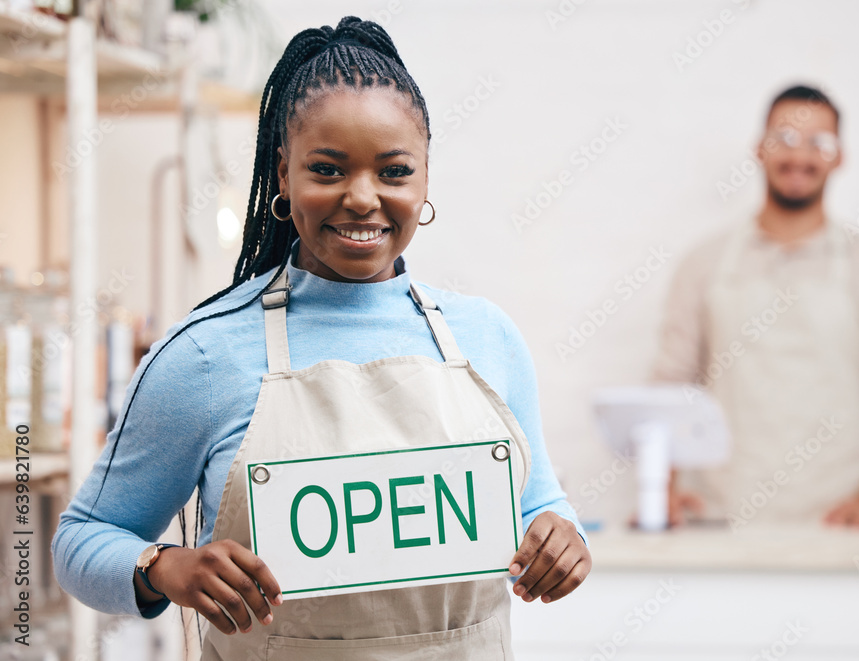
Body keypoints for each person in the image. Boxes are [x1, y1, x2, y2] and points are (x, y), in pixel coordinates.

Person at [52, 18, 590, 659]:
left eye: (393, 171)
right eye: (328, 170)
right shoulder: (205, 354)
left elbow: (540, 507)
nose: (363, 198)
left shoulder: (488, 338)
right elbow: (81, 540)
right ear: (283, 174)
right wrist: (168, 568)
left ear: (423, 182)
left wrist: (561, 538)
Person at [652, 85, 859, 529]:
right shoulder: (703, 264)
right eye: (784, 138)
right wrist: (661, 492)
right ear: (759, 150)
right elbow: (667, 390)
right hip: (718, 523)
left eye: (819, 143)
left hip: (837, 528)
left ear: (839, 157)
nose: (799, 156)